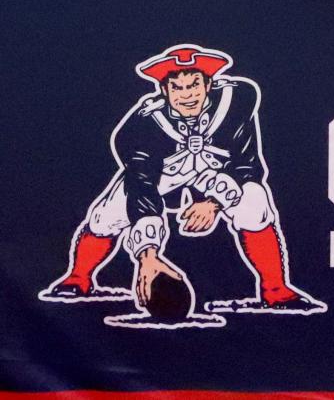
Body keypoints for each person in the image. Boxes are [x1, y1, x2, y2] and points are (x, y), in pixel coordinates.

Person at [43, 45, 318, 314]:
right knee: (105, 216)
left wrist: (213, 203)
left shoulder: (237, 104)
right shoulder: (140, 128)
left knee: (256, 201)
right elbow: (142, 187)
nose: (187, 95)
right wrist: (148, 255)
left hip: (216, 172)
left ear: (209, 85)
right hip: (164, 172)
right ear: (164, 90)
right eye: (178, 88)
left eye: (194, 85)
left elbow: (246, 166)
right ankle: (78, 278)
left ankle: (276, 289)